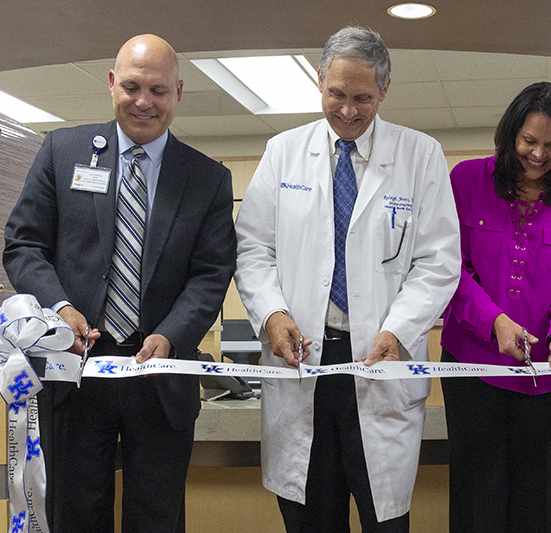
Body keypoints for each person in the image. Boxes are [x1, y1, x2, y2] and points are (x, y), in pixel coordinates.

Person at [3, 34, 236, 533]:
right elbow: (24, 245)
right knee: (76, 513)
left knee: (157, 516)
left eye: (158, 89)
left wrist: (171, 333)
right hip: (76, 370)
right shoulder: (62, 152)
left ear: (177, 92)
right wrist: (60, 307)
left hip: (161, 375)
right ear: (111, 84)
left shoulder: (207, 178)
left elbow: (212, 273)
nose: (143, 102)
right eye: (131, 86)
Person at [234, 26, 460, 533]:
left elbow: (439, 261)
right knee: (310, 518)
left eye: (363, 97)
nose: (349, 110)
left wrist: (397, 330)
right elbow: (252, 249)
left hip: (380, 360)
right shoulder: (282, 152)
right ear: (319, 81)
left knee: (384, 521)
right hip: (305, 360)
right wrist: (271, 313)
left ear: (383, 90)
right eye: (337, 94)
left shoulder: (420, 155)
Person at [440, 81, 551, 532]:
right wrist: (494, 322)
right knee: (478, 495)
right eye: (529, 141)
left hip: (543, 375)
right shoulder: (467, 180)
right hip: (473, 367)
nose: (538, 154)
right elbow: (452, 268)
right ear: (511, 134)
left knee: (538, 494)